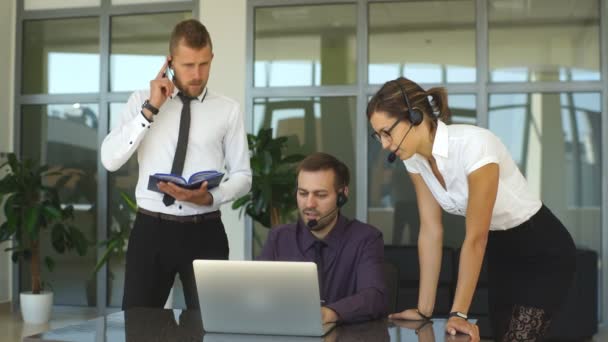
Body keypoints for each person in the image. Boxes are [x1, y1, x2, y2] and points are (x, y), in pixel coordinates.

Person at [366, 77, 576, 341]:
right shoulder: (415, 160)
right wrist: (424, 310)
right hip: (502, 249)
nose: (384, 144)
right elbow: (430, 230)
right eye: (378, 136)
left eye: (388, 132)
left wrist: (459, 313)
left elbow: (476, 237)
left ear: (414, 115)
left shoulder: (474, 145)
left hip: (543, 249)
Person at [101, 19, 251, 310]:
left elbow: (243, 175)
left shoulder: (228, 110)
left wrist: (210, 196)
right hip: (151, 230)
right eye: (188, 65)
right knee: (139, 325)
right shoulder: (140, 102)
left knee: (213, 325)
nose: (197, 75)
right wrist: (150, 110)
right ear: (169, 62)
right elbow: (110, 159)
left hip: (205, 231)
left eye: (204, 64)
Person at [258, 152, 387, 324]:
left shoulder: (366, 239)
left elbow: (375, 297)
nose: (309, 204)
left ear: (342, 196)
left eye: (320, 195)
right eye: (303, 193)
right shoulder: (279, 238)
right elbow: (257, 293)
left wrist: (331, 313)